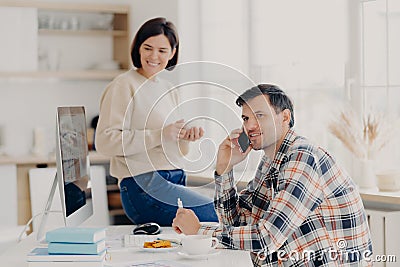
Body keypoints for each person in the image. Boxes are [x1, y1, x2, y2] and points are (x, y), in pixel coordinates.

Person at [172, 84, 373, 266]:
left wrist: (199, 231)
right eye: (246, 118)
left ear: (285, 117)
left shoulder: (302, 158)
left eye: (260, 115)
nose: (249, 126)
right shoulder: (270, 160)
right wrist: (225, 170)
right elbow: (236, 223)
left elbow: (266, 238)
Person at [95, 17, 218, 226]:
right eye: (148, 48)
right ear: (138, 49)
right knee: (221, 214)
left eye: (162, 50)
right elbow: (105, 142)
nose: (154, 56)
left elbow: (178, 151)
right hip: (144, 186)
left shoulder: (169, 89)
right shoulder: (124, 85)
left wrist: (185, 137)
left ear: (172, 53)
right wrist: (159, 135)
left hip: (176, 177)